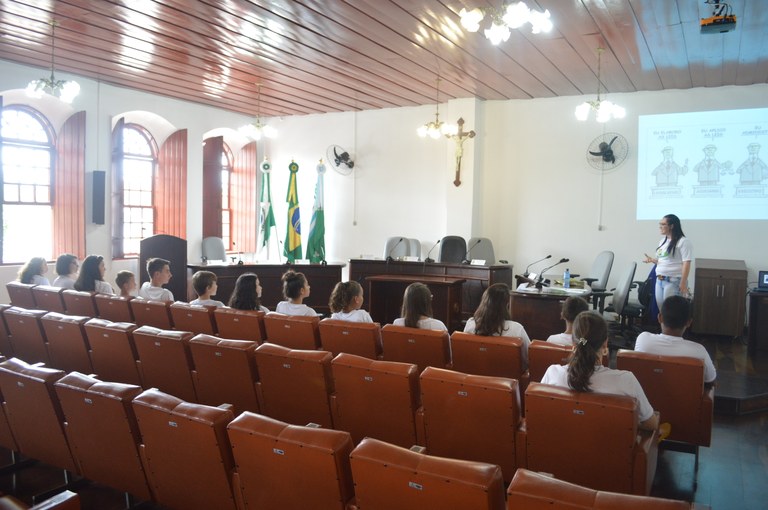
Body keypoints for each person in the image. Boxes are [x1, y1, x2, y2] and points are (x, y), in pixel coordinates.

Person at [541, 311, 660, 431]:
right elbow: (651, 424)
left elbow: (541, 413)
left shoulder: (552, 373)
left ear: (573, 342)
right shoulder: (626, 381)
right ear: (605, 343)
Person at [635, 295, 716, 384]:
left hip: (645, 392)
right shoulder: (699, 351)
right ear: (689, 322)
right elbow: (710, 380)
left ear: (660, 318)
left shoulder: (643, 339)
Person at [464, 283, 530, 365]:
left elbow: (466, 354)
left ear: (483, 303)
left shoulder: (470, 324)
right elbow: (530, 358)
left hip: (476, 371)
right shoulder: (517, 329)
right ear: (507, 305)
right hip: (507, 373)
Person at [643, 213, 692, 306]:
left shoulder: (683, 242)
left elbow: (686, 263)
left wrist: (683, 282)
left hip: (673, 281)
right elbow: (664, 261)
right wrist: (653, 260)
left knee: (670, 310)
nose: (660, 227)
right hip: (660, 279)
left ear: (672, 226)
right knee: (662, 310)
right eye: (660, 224)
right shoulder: (662, 241)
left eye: (663, 224)